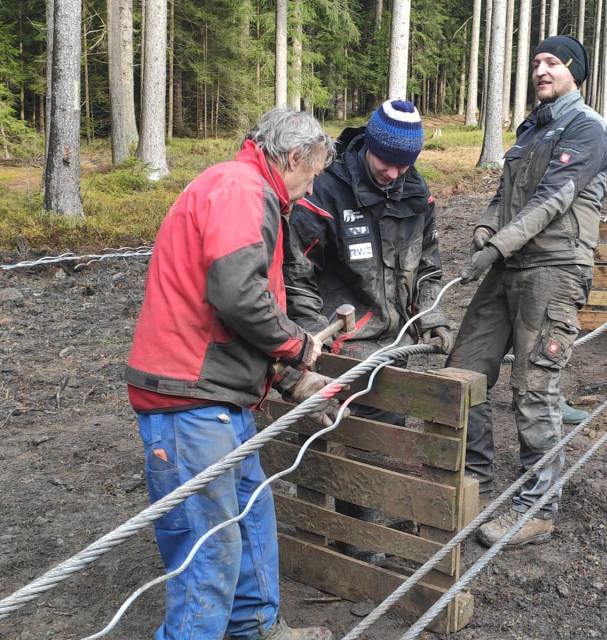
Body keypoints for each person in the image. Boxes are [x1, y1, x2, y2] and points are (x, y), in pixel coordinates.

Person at [125, 108, 337, 640]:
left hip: (218, 399)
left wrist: (288, 378)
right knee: (209, 552)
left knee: (250, 522)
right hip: (189, 400)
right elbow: (239, 297)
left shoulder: (240, 188)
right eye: (310, 175)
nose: (309, 188)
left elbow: (233, 311)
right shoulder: (243, 191)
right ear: (292, 158)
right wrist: (297, 347)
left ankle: (257, 628)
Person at [445, 35, 607, 547]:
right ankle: (475, 475)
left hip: (555, 267)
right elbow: (503, 195)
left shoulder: (587, 129)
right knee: (464, 366)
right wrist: (482, 229)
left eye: (553, 62)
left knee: (534, 387)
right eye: (537, 61)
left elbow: (551, 200)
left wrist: (494, 248)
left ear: (574, 73)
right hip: (509, 261)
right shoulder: (529, 130)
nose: (542, 69)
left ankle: (537, 508)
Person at [285, 99, 452, 562]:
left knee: (383, 437)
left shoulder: (416, 193)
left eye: (406, 164)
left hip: (393, 342)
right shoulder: (325, 192)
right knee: (328, 437)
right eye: (387, 162)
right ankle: (333, 531)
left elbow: (428, 269)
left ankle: (363, 526)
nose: (395, 173)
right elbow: (295, 275)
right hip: (337, 343)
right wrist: (308, 343)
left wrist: (433, 315)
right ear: (368, 148)